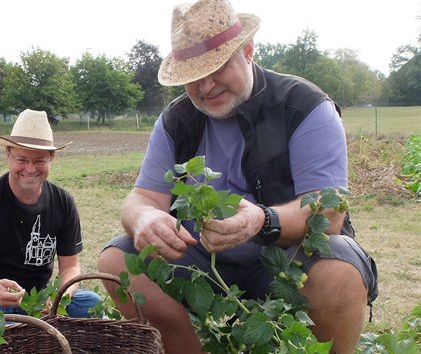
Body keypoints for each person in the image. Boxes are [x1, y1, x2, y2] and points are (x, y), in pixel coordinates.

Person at [97, 0, 378, 353]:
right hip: (204, 263)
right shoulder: (176, 120)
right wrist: (144, 218)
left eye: (218, 67)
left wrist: (261, 220)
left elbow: (329, 214)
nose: (206, 85)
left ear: (248, 50)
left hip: (287, 259)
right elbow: (141, 198)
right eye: (193, 76)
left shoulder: (303, 106)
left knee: (339, 269)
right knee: (116, 260)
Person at [0, 109, 101, 318]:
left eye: (40, 160)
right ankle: (21, 330)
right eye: (22, 159)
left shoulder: (63, 202)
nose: (30, 169)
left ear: (52, 157)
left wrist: (60, 298)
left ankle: (22, 328)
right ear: (8, 153)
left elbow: (71, 267)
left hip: (40, 300)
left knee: (92, 303)